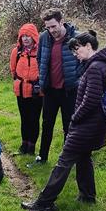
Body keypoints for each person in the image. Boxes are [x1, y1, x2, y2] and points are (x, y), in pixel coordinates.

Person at [21, 31, 106, 211]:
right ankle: (87, 196)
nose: (75, 54)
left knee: (63, 162)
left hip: (86, 125)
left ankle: (44, 202)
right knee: (84, 158)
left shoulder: (94, 68)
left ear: (88, 46)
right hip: (94, 124)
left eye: (77, 50)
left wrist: (75, 117)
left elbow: (91, 99)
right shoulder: (101, 64)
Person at [36, 8, 81, 164]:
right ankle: (42, 157)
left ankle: (66, 160)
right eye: (48, 27)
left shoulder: (76, 38)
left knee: (69, 126)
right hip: (50, 90)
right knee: (47, 124)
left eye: (54, 26)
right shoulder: (44, 38)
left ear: (62, 22)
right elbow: (39, 60)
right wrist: (43, 81)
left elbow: (84, 62)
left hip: (70, 91)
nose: (51, 30)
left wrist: (77, 79)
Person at [10, 23, 43, 155]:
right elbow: (13, 70)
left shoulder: (41, 51)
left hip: (36, 92)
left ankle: (31, 147)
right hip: (21, 90)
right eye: (23, 36)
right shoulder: (16, 52)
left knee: (34, 119)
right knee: (24, 118)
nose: (25, 39)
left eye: (28, 36)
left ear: (34, 37)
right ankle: (24, 145)